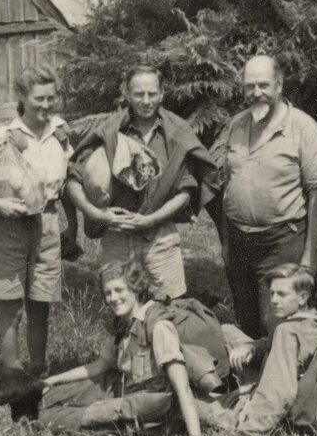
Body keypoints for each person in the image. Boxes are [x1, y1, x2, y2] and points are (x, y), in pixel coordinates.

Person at [66, 65, 219, 300]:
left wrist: (149, 220)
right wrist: (96, 214)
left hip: (161, 236)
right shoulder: (110, 130)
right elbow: (72, 180)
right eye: (138, 94)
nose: (146, 101)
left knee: (171, 307)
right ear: (127, 94)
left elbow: (186, 191)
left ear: (161, 94)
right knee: (121, 310)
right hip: (117, 234)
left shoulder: (176, 131)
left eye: (151, 94)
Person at [37, 259, 210, 436]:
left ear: (135, 289)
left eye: (119, 290)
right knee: (47, 397)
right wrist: (53, 380)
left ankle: (53, 417)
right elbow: (98, 366)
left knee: (49, 418)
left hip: (149, 406)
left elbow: (182, 386)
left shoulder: (158, 326)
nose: (113, 298)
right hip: (123, 388)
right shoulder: (124, 323)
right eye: (108, 293)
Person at [0, 65, 73, 374]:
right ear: (22, 98)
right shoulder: (4, 136)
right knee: (11, 308)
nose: (45, 105)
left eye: (51, 98)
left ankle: (38, 372)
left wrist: (74, 227)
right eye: (38, 98)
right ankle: (12, 377)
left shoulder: (61, 134)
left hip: (48, 225)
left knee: (40, 306)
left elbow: (66, 185)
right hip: (8, 227)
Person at [215, 55, 317, 339]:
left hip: (282, 241)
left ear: (279, 85)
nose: (256, 93)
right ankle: (255, 380)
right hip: (240, 241)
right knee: (247, 321)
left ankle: (284, 380)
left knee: (277, 323)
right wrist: (227, 242)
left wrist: (310, 254)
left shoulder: (303, 127)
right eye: (249, 86)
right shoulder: (237, 125)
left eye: (263, 85)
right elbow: (230, 184)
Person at [212, 263, 317, 436]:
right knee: (228, 331)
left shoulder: (288, 331)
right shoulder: (313, 321)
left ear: (303, 298)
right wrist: (252, 347)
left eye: (281, 294)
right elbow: (270, 342)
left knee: (190, 403)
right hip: (274, 379)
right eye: (272, 293)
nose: (273, 300)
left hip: (266, 403)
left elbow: (278, 392)